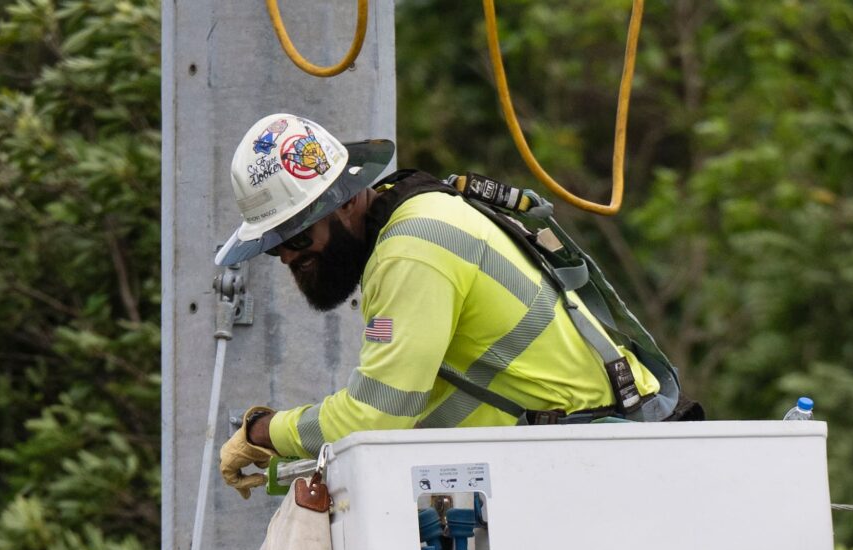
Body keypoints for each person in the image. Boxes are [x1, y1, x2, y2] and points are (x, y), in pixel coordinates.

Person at [211, 112, 669, 497]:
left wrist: (265, 432)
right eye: (276, 246)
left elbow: (375, 417)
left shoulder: (410, 250)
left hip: (597, 462)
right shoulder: (418, 219)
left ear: (345, 203)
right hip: (592, 455)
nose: (289, 256)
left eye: (298, 235)